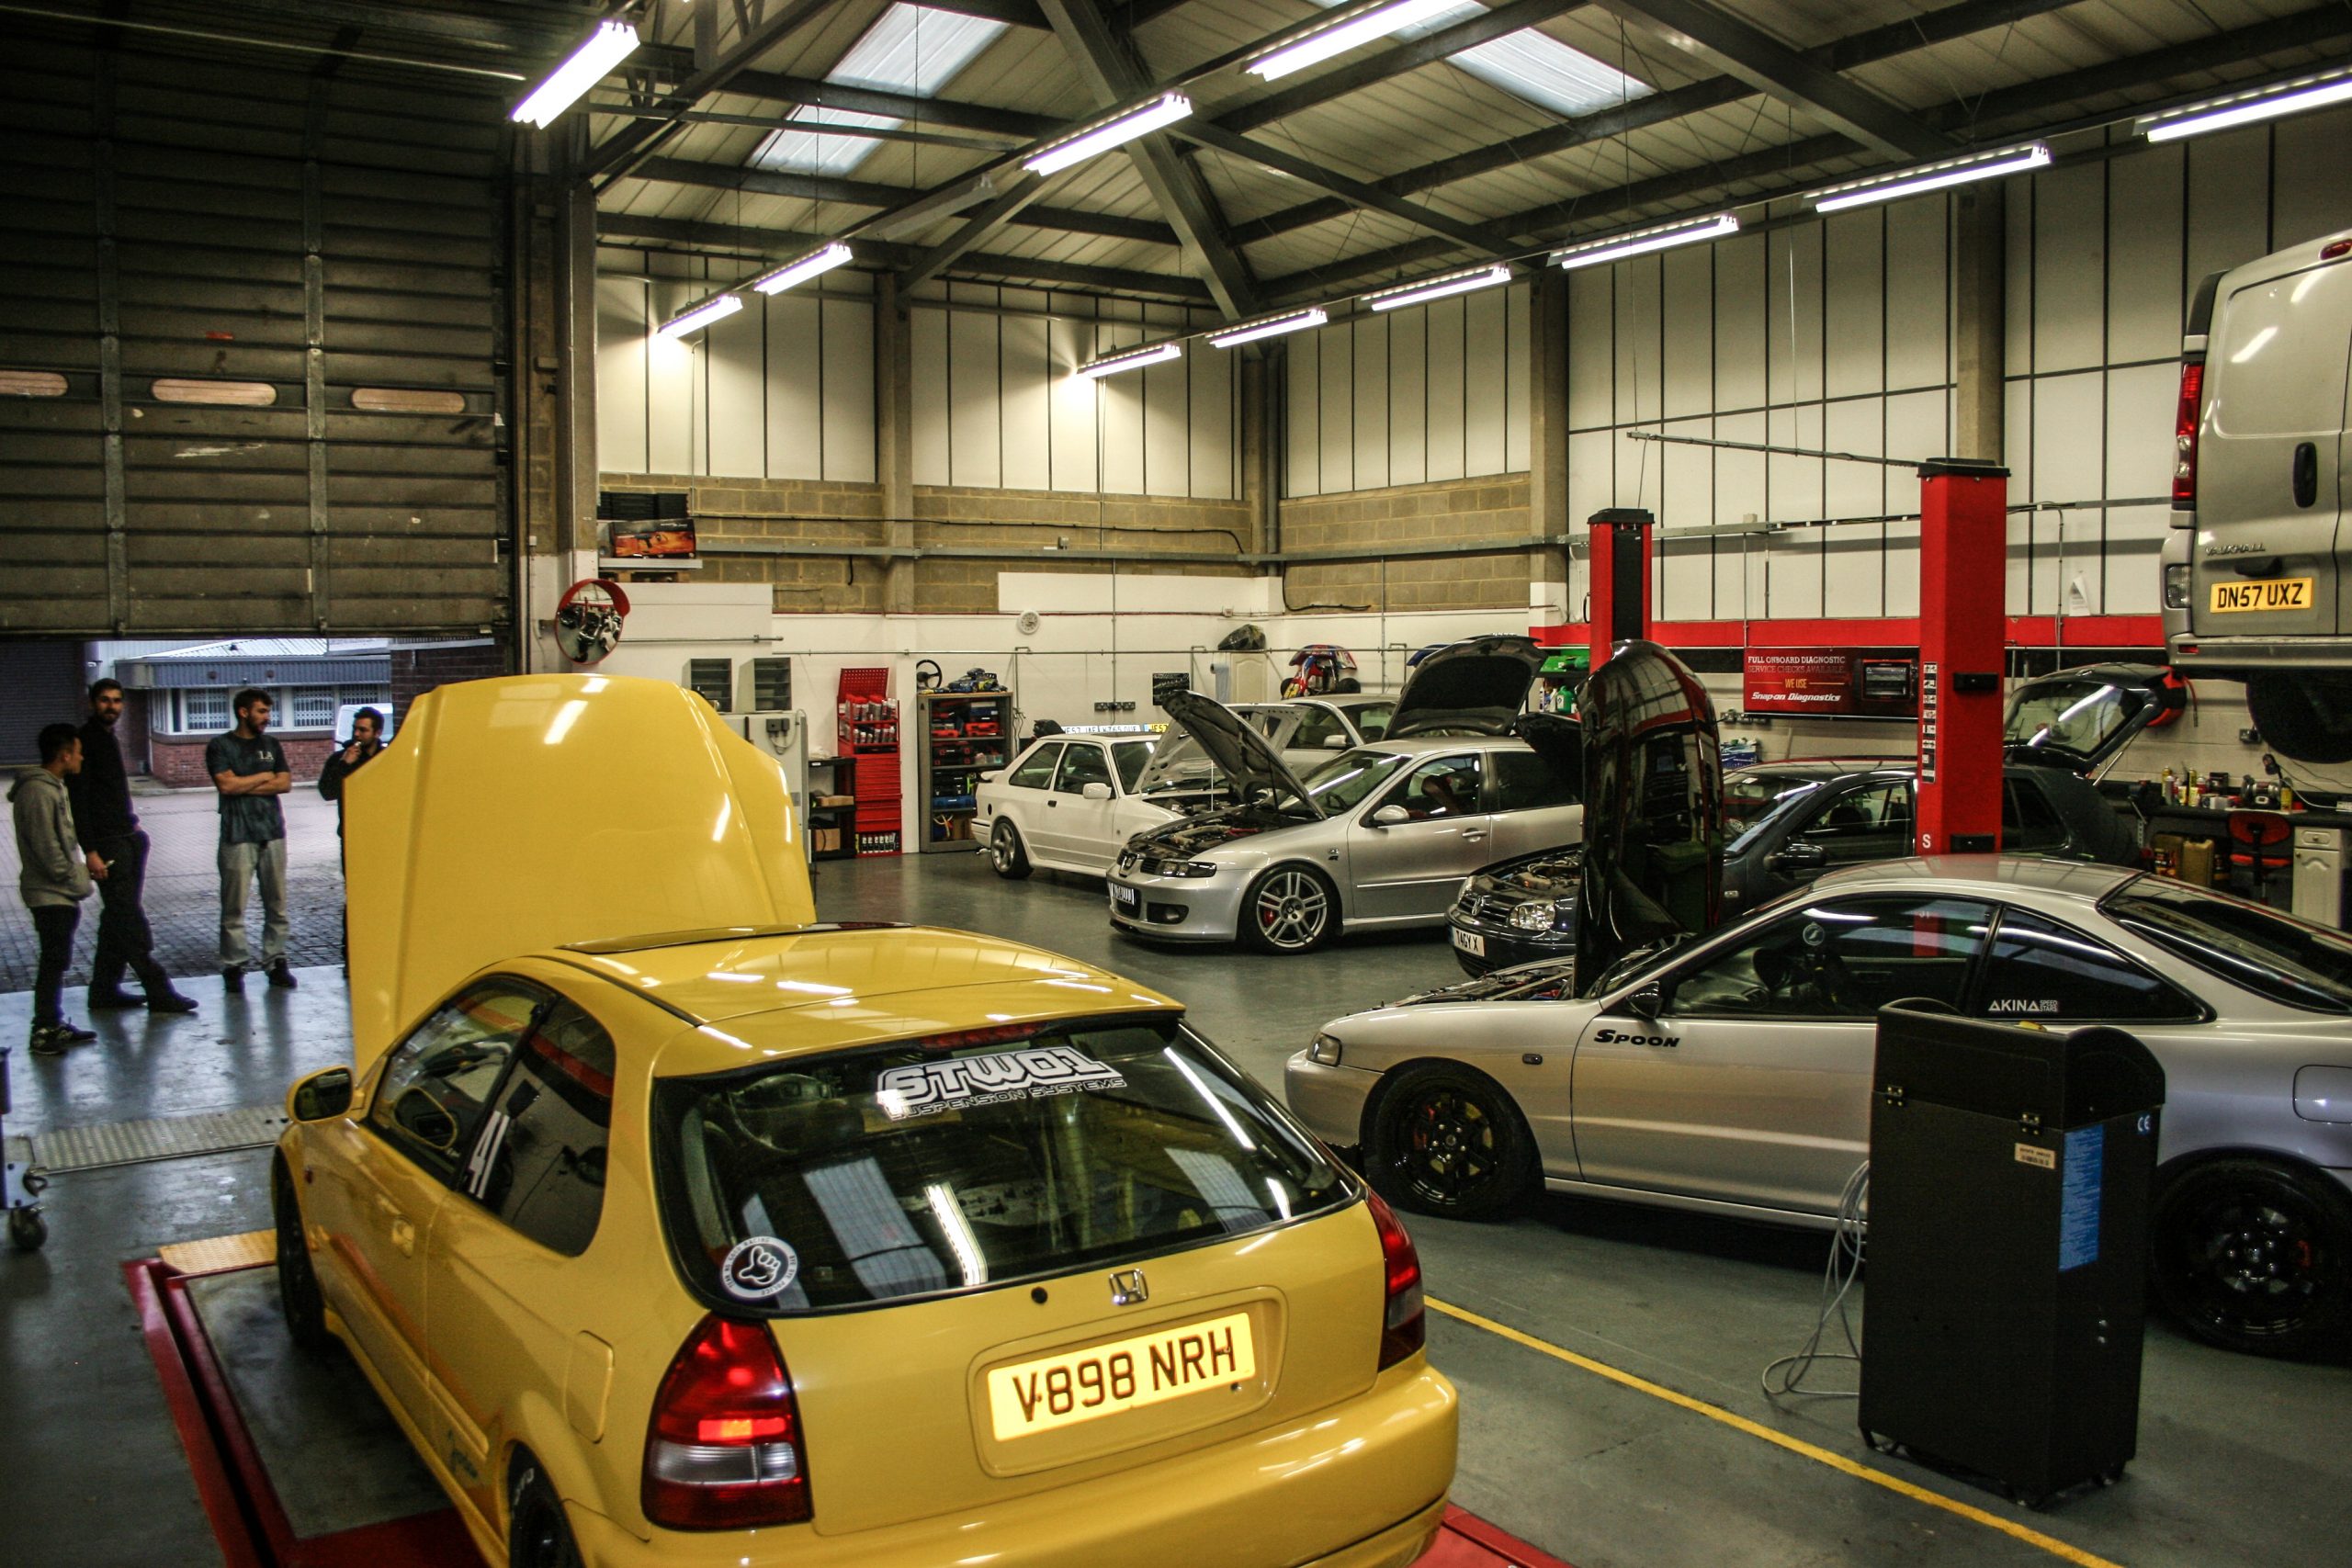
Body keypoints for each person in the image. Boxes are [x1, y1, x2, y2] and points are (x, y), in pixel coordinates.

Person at [67, 679, 198, 1014]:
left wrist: (133, 826)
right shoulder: (84, 741)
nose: (111, 706)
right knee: (127, 917)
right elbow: (79, 801)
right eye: (105, 700)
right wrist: (90, 851)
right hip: (108, 844)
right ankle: (157, 988)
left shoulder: (109, 738)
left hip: (126, 838)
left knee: (116, 916)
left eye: (116, 701)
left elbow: (110, 793)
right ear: (92, 703)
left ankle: (104, 990)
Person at [13, 725, 98, 1055]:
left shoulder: (52, 788)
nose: (81, 758)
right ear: (64, 755)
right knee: (52, 961)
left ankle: (52, 1021)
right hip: (48, 893)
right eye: (78, 752)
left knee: (57, 959)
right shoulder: (38, 792)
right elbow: (47, 849)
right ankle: (43, 1030)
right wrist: (77, 879)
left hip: (57, 892)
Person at [209, 688, 295, 990]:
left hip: (272, 833)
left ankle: (276, 960)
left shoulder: (272, 745)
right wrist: (264, 776)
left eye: (268, 711)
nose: (267, 717)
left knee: (277, 903)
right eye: (261, 711)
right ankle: (234, 965)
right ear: (243, 712)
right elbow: (226, 786)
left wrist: (244, 782)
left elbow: (285, 783)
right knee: (234, 905)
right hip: (237, 835)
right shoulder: (220, 746)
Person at [316, 706, 384, 838]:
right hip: (351, 833)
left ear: (377, 733)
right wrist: (345, 764)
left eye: (363, 730)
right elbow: (327, 793)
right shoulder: (338, 758)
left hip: (382, 831)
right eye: (355, 729)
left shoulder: (385, 758)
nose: (356, 734)